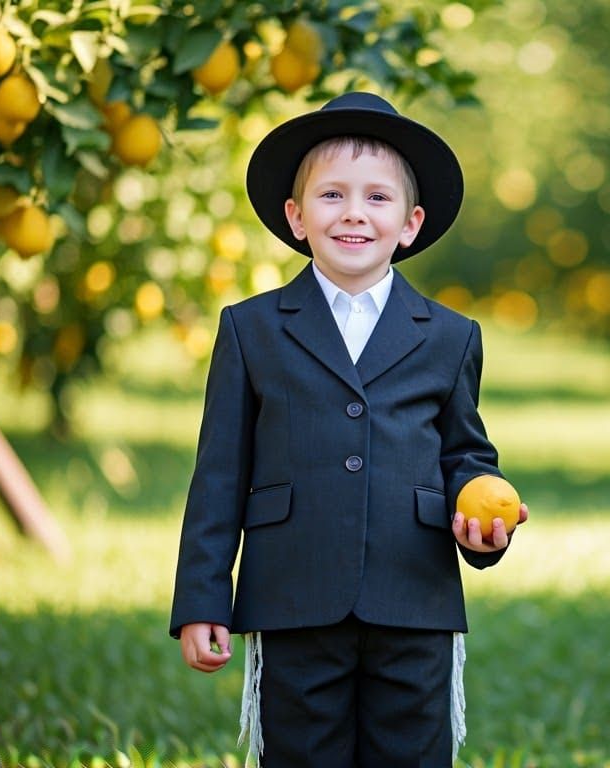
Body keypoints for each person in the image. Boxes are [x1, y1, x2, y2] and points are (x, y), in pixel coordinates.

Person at [169, 91, 528, 767]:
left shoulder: (451, 336)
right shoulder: (251, 329)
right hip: (291, 596)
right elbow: (219, 474)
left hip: (413, 596)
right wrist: (201, 600)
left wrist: (483, 519)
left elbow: (465, 455)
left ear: (411, 222)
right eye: (331, 195)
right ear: (296, 217)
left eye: (377, 198)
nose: (355, 213)